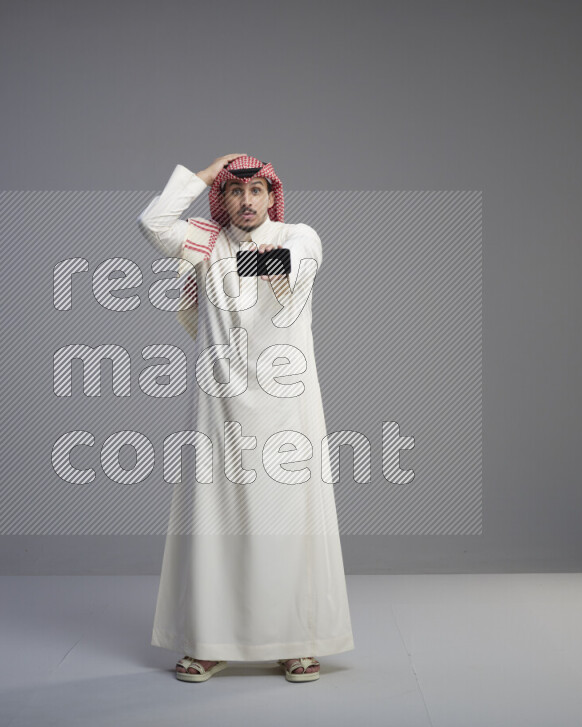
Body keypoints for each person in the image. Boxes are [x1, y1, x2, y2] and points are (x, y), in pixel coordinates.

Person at [137, 154, 354, 682]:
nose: (246, 201)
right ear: (223, 198)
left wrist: (217, 254)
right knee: (216, 524)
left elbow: (281, 265)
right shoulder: (208, 240)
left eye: (256, 190)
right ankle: (210, 642)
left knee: (290, 524)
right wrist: (206, 174)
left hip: (287, 407)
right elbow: (152, 224)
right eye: (234, 191)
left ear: (272, 196)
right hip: (220, 405)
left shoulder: (299, 236)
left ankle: (296, 641)